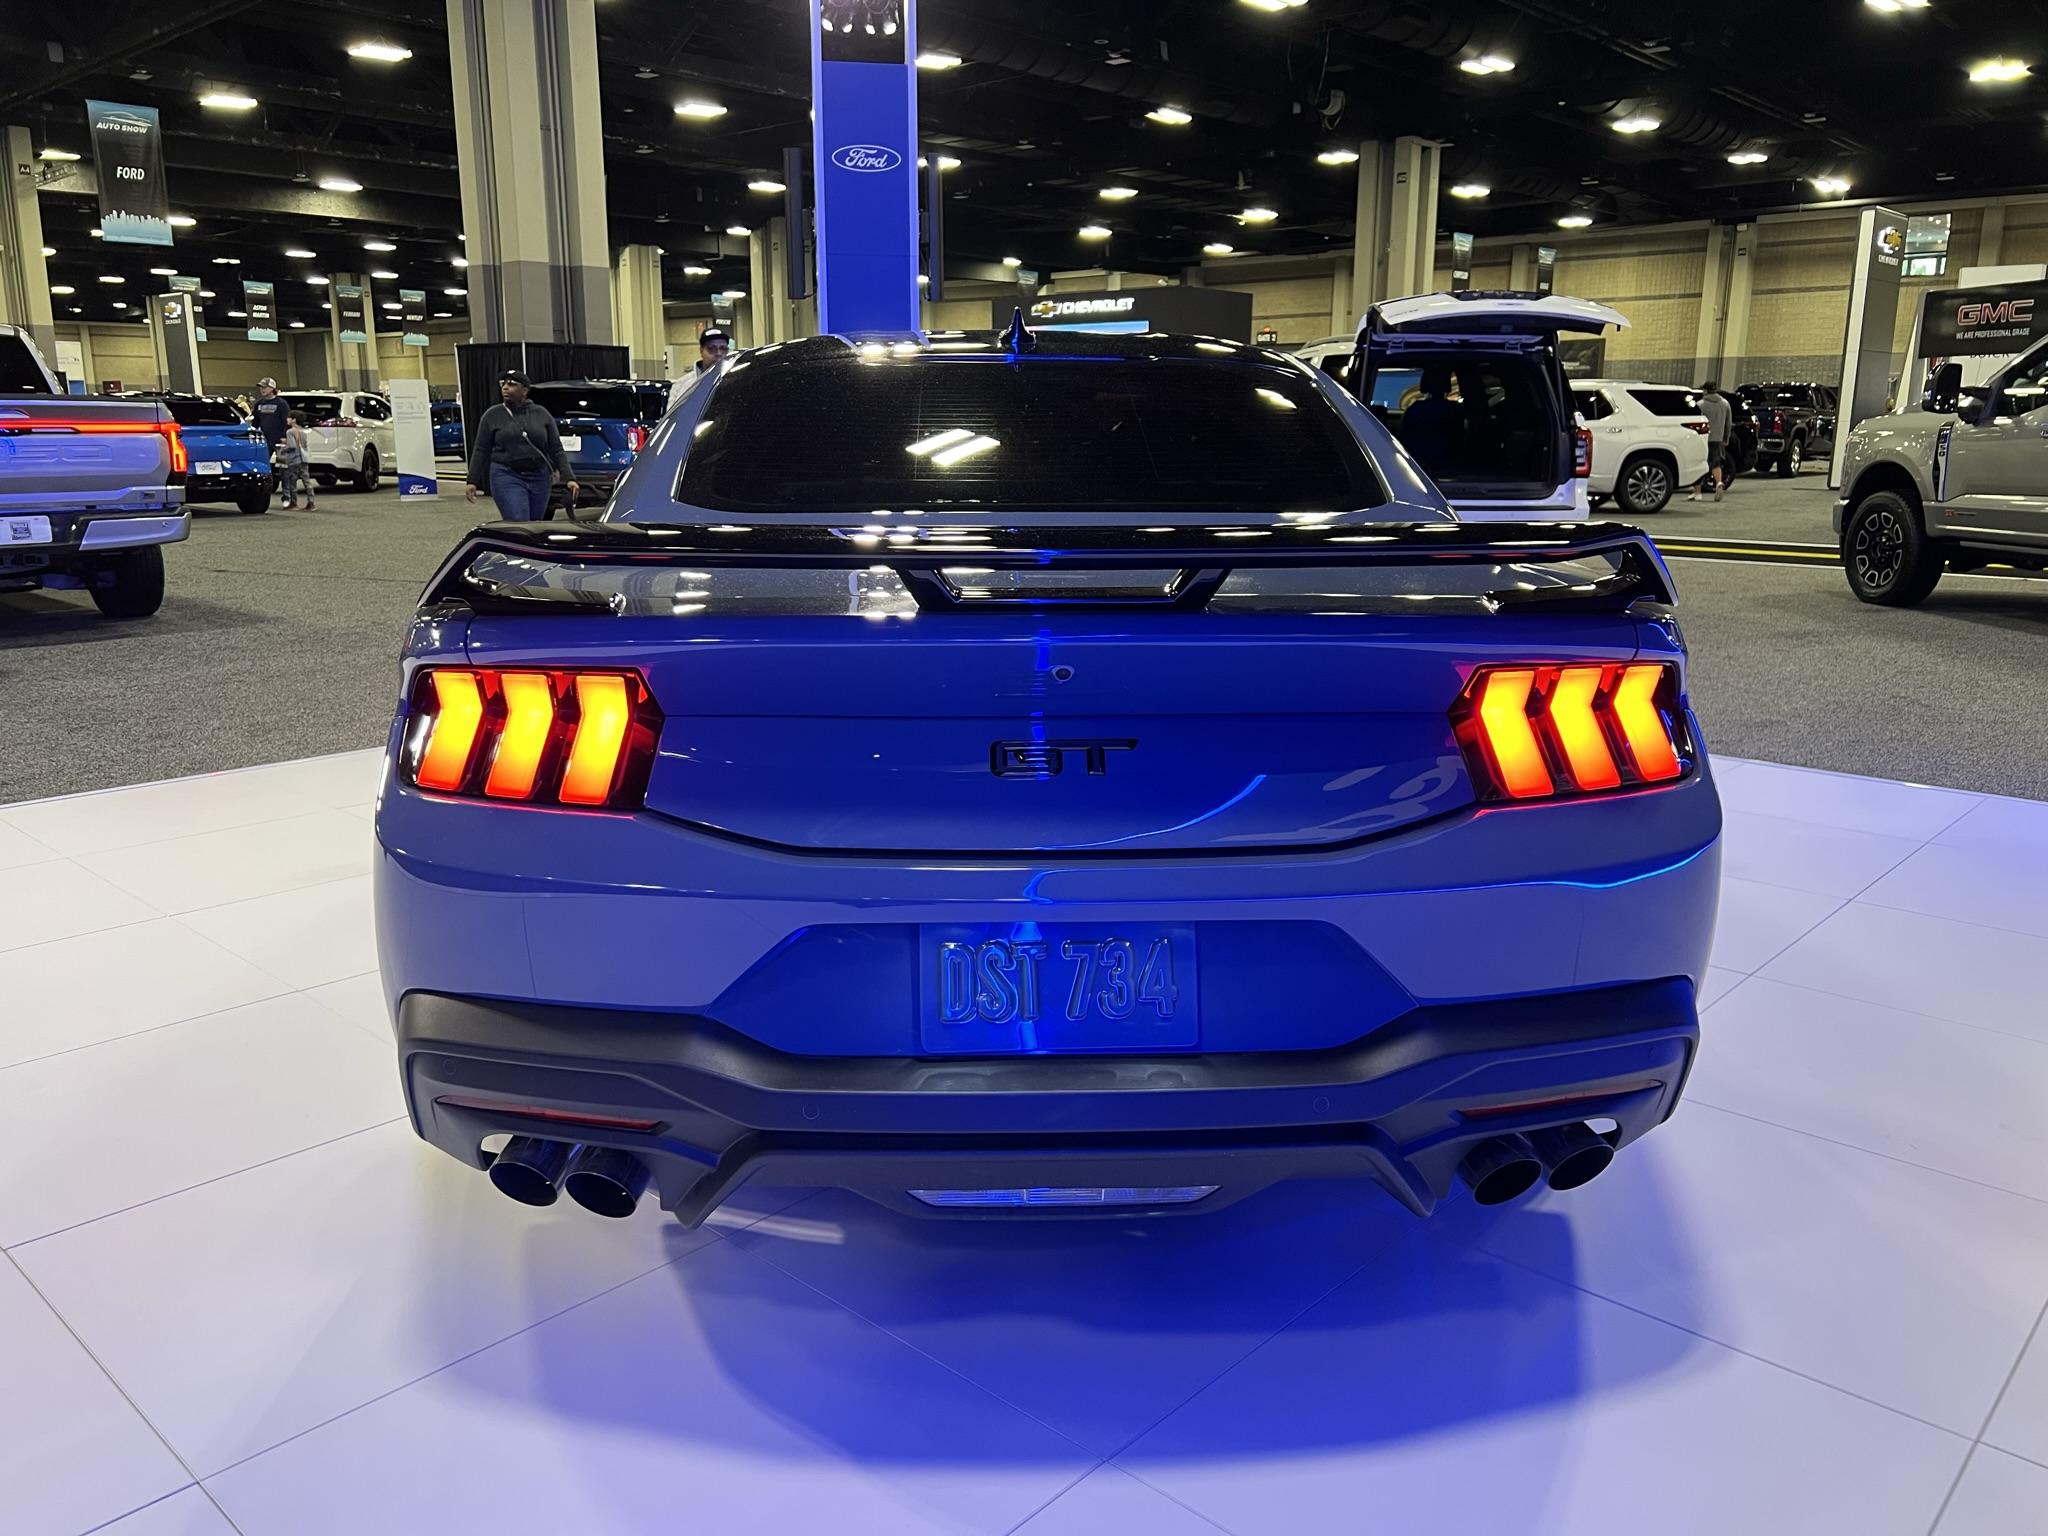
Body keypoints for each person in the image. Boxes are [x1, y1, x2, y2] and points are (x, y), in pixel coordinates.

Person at [465, 370, 576, 521]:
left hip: (539, 477)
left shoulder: (542, 414)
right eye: (502, 384)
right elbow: (481, 450)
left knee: (535, 525)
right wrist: (472, 480)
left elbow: (556, 448)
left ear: (525, 390)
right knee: (518, 521)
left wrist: (569, 477)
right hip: (506, 475)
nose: (505, 387)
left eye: (511, 384)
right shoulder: (492, 415)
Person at [1398, 365, 1465, 476]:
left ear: (1425, 384)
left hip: (1417, 466)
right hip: (1449, 465)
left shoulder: (1414, 410)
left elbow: (1403, 440)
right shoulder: (1455, 412)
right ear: (1447, 385)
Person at [250, 378, 293, 506]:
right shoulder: (259, 404)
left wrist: (285, 437)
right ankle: (263, 494)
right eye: (261, 387)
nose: (262, 389)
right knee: (263, 467)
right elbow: (255, 423)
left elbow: (287, 422)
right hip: (265, 442)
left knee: (283, 469)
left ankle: (287, 497)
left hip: (280, 442)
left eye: (265, 387)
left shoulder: (281, 404)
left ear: (272, 388)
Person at [1690, 380, 1733, 502]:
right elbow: (1728, 423)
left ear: (1705, 390)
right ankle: (1719, 483)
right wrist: (1726, 438)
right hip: (1717, 438)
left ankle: (1697, 492)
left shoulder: (1700, 404)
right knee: (1716, 463)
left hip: (1702, 438)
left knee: (1698, 463)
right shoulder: (1725, 404)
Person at [275, 410, 316, 511]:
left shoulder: (290, 431)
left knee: (292, 481)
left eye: (289, 417)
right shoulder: (303, 432)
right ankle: (311, 502)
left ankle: (294, 503)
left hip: (293, 459)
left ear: (294, 420)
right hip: (303, 458)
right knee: (306, 481)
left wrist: (282, 449)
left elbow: (292, 446)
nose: (287, 419)